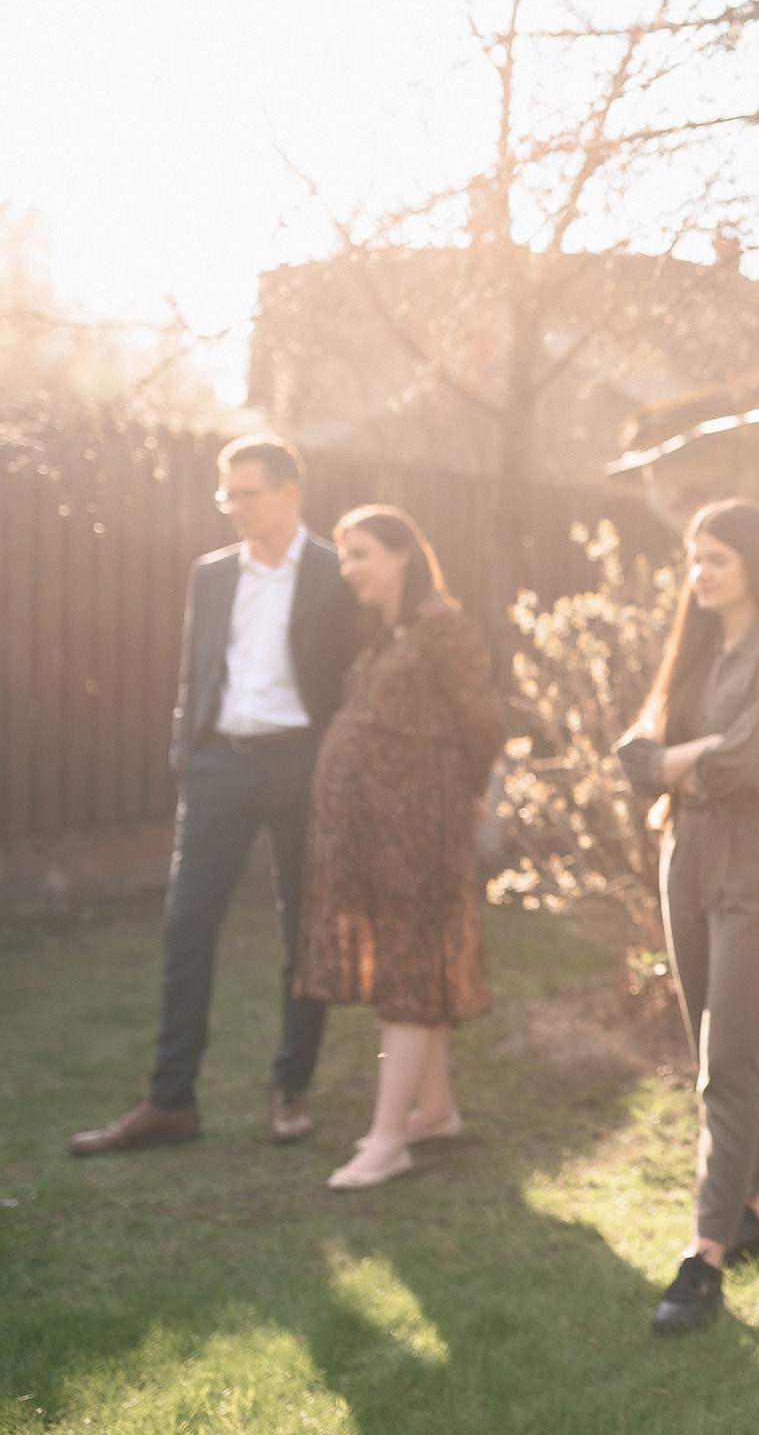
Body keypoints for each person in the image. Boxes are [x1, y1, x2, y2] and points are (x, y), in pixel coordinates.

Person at [71, 435, 361, 1157]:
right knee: (185, 927)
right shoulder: (211, 575)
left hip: (302, 762)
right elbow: (196, 668)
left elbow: (356, 674)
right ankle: (171, 1102)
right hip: (217, 767)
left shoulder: (335, 571)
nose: (233, 506)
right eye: (225, 493)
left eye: (247, 492)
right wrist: (185, 747)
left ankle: (289, 1092)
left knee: (304, 934)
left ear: (290, 492)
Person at [617, 500, 759, 1335]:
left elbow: (757, 762)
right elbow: (633, 758)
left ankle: (703, 1260)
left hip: (756, 870)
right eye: (694, 559)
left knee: (723, 1063)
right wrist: (697, 756)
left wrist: (685, 762)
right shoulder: (694, 653)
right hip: (686, 863)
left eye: (718, 560)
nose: (700, 573)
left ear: (756, 566)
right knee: (718, 1048)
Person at [297, 505, 505, 1191]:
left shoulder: (442, 625)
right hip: (378, 831)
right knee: (410, 966)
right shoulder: (388, 632)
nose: (348, 568)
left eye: (360, 554)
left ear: (402, 555)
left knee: (412, 971)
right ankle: (435, 1109)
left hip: (419, 831)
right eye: (344, 555)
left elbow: (482, 720)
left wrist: (468, 792)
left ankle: (389, 1139)